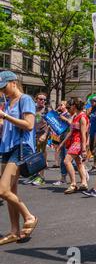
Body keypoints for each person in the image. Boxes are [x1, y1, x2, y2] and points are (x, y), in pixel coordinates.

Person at [0, 71, 39, 245]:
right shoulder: (8, 102)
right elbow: (8, 125)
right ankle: (14, 231)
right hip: (7, 147)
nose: (2, 91)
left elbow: (29, 125)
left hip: (21, 147)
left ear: (13, 82)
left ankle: (29, 216)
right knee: (10, 192)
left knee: (2, 190)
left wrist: (6, 116)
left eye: (4, 87)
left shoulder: (26, 99)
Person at [59, 98, 89, 194]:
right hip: (73, 141)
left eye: (70, 105)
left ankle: (73, 184)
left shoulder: (82, 117)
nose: (69, 107)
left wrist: (84, 148)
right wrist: (62, 143)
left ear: (74, 106)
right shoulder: (76, 116)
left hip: (78, 142)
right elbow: (71, 132)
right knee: (78, 162)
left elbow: (84, 133)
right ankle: (84, 183)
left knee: (66, 161)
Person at [25, 92, 50, 186]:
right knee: (33, 155)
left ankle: (41, 177)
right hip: (32, 134)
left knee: (41, 155)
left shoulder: (47, 109)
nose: (42, 101)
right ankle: (35, 175)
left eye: (44, 99)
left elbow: (50, 124)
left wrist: (45, 135)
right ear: (36, 99)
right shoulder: (33, 108)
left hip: (42, 134)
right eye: (40, 99)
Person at [53, 101, 72, 186]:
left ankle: (82, 172)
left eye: (61, 105)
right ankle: (63, 178)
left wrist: (65, 119)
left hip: (68, 139)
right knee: (63, 157)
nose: (59, 106)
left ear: (66, 106)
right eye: (59, 104)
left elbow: (72, 125)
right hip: (61, 138)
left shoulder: (69, 114)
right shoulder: (59, 115)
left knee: (69, 159)